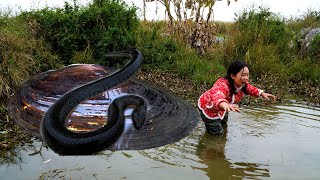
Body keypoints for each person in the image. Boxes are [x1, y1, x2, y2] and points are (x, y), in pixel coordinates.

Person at [197, 60, 277, 135]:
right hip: (209, 108)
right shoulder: (222, 84)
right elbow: (217, 95)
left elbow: (250, 88)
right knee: (217, 134)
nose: (246, 78)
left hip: (225, 107)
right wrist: (224, 104)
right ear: (232, 75)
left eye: (247, 75)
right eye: (243, 75)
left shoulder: (242, 84)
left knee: (224, 125)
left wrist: (261, 93)